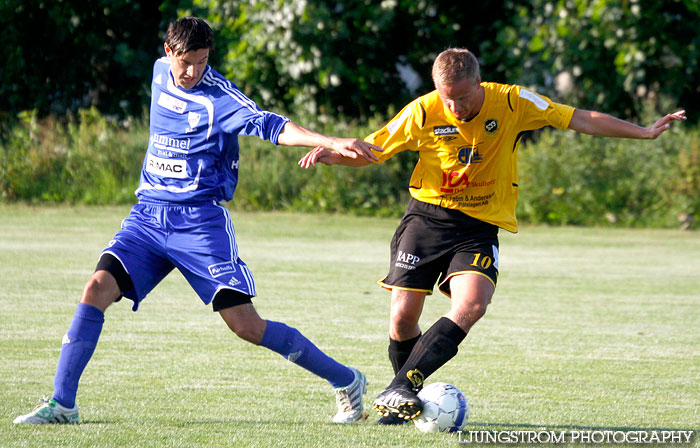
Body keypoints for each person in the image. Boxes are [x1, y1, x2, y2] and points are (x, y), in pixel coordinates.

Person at [14, 17, 382, 425]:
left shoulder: (218, 97)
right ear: (169, 52)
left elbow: (271, 124)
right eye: (186, 62)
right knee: (96, 288)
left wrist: (330, 141)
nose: (193, 72)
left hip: (199, 223)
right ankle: (63, 404)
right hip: (147, 218)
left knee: (245, 325)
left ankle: (347, 380)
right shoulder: (158, 71)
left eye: (203, 62)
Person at [298, 48, 686, 424]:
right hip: (426, 219)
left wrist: (644, 132)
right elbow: (373, 149)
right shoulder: (422, 110)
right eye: (447, 100)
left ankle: (400, 387)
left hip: (478, 227)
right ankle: (400, 397)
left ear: (479, 82)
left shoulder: (514, 102)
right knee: (402, 319)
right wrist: (330, 153)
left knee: (473, 305)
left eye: (463, 98)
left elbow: (578, 118)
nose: (455, 108)